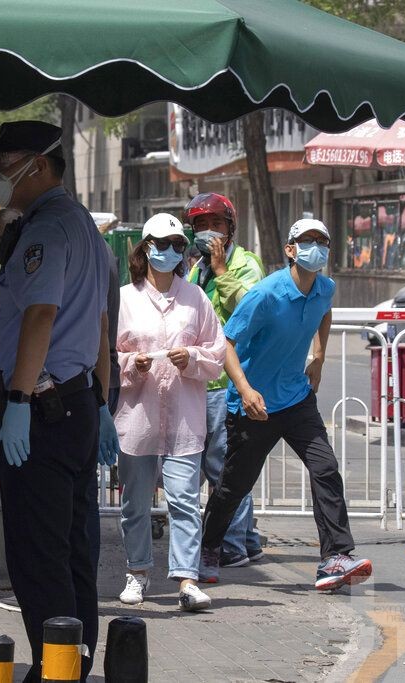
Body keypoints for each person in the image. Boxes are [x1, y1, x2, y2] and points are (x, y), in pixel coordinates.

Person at [0, 120, 119, 683]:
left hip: (41, 409)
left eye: (5, 159)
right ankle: (74, 665)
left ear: (38, 164)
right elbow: (100, 322)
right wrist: (102, 401)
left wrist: (16, 397)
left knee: (38, 554)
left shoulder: (46, 229)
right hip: (76, 401)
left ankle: (56, 669)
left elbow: (41, 315)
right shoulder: (83, 225)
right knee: (73, 549)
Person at [200, 218, 374, 591]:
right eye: (307, 240)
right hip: (254, 406)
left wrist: (320, 355)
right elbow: (226, 344)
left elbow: (324, 312)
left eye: (322, 241)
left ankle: (334, 557)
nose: (316, 247)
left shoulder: (325, 288)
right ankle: (208, 546)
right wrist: (245, 390)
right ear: (290, 250)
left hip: (296, 400)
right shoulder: (266, 294)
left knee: (325, 468)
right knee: (234, 486)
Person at [114, 212, 226, 611]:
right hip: (137, 418)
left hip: (183, 418)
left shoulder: (195, 298)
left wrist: (191, 357)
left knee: (184, 501)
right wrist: (131, 364)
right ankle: (137, 572)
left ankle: (187, 579)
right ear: (145, 248)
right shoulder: (125, 299)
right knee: (136, 502)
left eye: (178, 245)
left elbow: (217, 352)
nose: (170, 252)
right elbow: (109, 357)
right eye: (162, 244)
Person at [184, 192, 266, 571]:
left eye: (216, 224)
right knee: (219, 466)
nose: (209, 232)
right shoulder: (193, 268)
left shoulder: (244, 264)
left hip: (230, 382)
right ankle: (246, 539)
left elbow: (252, 311)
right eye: (202, 225)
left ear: (230, 228)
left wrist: (221, 272)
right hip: (202, 380)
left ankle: (231, 544)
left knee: (224, 469)